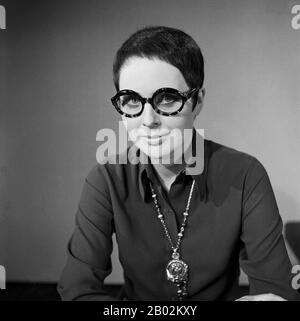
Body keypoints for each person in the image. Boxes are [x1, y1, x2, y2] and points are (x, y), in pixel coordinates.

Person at [57, 26, 300, 301]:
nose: (148, 120)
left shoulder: (245, 175)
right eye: (131, 100)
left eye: (167, 98)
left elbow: (278, 293)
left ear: (197, 102)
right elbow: (77, 291)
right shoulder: (107, 179)